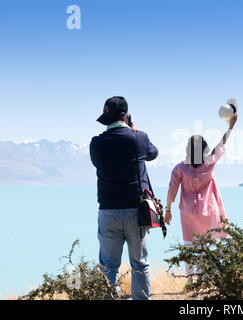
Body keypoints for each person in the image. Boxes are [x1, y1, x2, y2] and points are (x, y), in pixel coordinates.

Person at [89, 96, 158, 300]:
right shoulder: (139, 138)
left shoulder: (96, 143)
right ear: (127, 117)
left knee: (108, 267)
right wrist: (134, 131)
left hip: (108, 211)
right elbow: (153, 153)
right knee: (139, 264)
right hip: (137, 212)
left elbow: (98, 163)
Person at [165, 114, 238, 286]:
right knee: (204, 248)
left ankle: (190, 282)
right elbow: (221, 145)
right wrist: (230, 127)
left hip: (187, 214)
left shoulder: (180, 168)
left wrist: (167, 210)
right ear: (205, 150)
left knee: (189, 248)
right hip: (207, 211)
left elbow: (172, 190)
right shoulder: (209, 163)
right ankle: (203, 280)